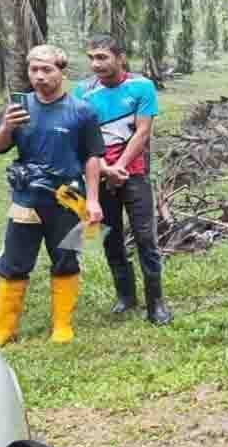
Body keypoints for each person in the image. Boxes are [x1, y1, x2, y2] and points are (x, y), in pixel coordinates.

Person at [0, 45, 104, 346]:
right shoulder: (19, 106)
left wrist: (92, 200)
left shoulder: (83, 111)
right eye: (33, 70)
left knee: (67, 257)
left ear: (61, 71)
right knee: (14, 261)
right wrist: (6, 127)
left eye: (47, 70)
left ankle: (62, 325)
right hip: (26, 198)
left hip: (67, 198)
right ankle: (3, 328)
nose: (39, 76)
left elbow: (92, 158)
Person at [73, 34, 171, 325]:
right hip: (99, 174)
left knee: (145, 237)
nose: (95, 64)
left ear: (120, 58)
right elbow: (84, 139)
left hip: (134, 173)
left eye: (102, 57)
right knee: (110, 237)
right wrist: (105, 170)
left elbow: (143, 132)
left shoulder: (141, 87)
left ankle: (156, 302)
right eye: (91, 58)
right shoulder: (82, 92)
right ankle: (125, 296)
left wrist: (120, 167)